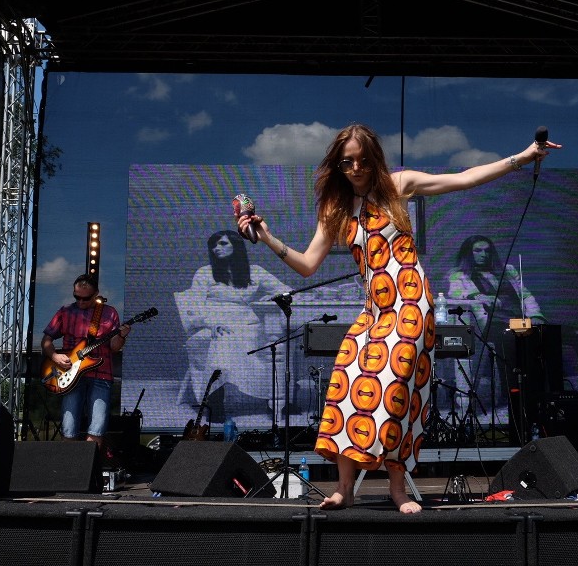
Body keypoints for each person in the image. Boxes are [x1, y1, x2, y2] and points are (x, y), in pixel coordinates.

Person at [237, 123, 560, 512]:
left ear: (374, 158)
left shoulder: (398, 186)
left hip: (411, 303)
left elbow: (463, 179)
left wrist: (521, 158)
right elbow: (307, 264)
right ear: (338, 165)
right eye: (347, 162)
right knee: (344, 380)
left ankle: (398, 489)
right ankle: (344, 488)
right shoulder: (335, 209)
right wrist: (267, 238)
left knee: (393, 387)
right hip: (374, 310)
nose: (356, 168)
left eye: (362, 159)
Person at [174, 230, 291, 419]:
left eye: (222, 244)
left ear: (236, 246)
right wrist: (210, 324)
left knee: (275, 345)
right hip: (212, 324)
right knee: (223, 340)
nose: (216, 248)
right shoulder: (204, 273)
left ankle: (277, 400)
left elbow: (285, 289)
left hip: (248, 324)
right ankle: (215, 403)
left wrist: (274, 295)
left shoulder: (255, 271)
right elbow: (193, 306)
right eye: (214, 245)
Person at [446, 235, 546, 431]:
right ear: (469, 253)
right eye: (477, 250)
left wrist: (536, 315)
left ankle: (540, 398)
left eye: (486, 250)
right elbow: (455, 293)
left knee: (544, 336)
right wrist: (479, 296)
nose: (483, 254)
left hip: (518, 319)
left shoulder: (507, 271)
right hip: (493, 323)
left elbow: (525, 294)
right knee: (508, 338)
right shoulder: (459, 275)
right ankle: (513, 396)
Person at [41, 274, 130, 454]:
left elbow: (114, 347)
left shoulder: (109, 312)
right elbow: (46, 340)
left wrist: (122, 335)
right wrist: (55, 356)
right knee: (69, 425)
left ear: (96, 293)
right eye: (76, 297)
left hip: (101, 374)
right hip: (69, 374)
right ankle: (68, 472)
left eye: (85, 298)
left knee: (97, 426)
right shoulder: (65, 312)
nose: (80, 301)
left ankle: (90, 473)